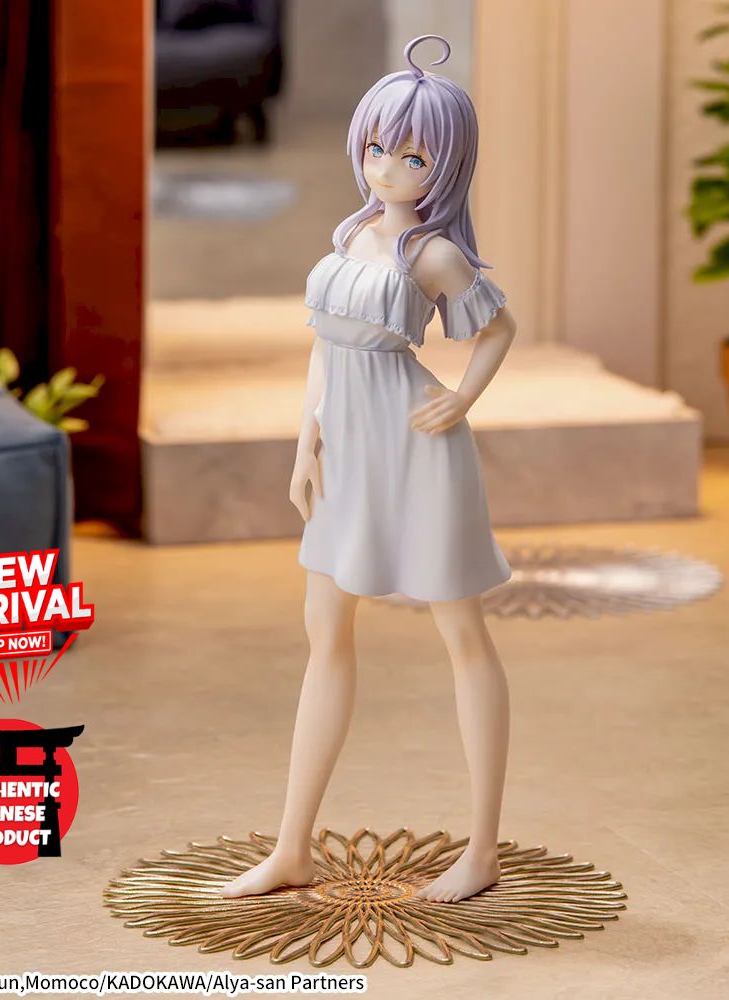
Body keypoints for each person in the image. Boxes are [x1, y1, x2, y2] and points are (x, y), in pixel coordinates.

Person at [221, 34, 517, 904]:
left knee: (462, 634)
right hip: (344, 448)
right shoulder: (351, 234)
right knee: (325, 631)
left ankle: (483, 849)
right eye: (378, 148)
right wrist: (304, 442)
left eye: (412, 156)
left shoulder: (433, 254)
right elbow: (326, 347)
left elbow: (497, 328)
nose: (388, 168)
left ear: (445, 165)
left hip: (418, 446)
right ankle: (292, 846)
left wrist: (462, 399)